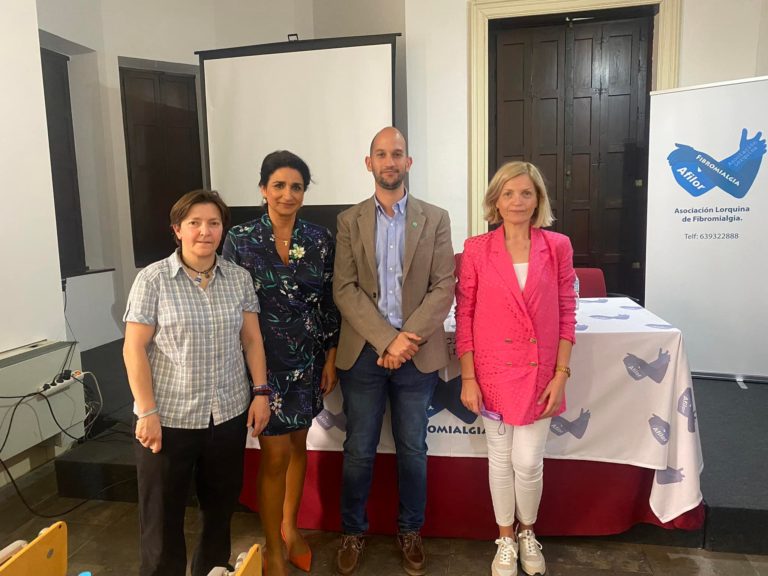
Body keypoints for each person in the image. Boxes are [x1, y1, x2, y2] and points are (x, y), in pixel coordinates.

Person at [123, 189, 270, 576]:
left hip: (227, 415)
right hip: (168, 419)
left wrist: (260, 392)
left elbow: (252, 340)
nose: (205, 231)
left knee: (219, 513)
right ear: (177, 229)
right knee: (162, 520)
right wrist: (146, 411)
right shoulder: (153, 280)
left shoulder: (238, 279)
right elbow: (134, 348)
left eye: (214, 223)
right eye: (195, 223)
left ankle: (212, 570)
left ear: (223, 230)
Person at [332, 127, 455, 576]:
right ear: (369, 163)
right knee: (359, 449)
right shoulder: (349, 221)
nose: (390, 162)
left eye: (397, 154)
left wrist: (406, 340)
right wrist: (388, 340)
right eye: (381, 154)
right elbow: (344, 288)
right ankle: (352, 531)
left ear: (409, 162)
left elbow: (444, 287)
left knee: (413, 449)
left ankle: (410, 530)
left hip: (416, 354)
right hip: (365, 353)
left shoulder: (435, 218)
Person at [455, 161, 577, 576]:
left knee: (527, 462)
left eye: (526, 193)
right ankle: (505, 537)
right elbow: (465, 314)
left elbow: (567, 312)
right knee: (500, 459)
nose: (517, 202)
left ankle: (528, 531)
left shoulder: (557, 246)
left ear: (538, 200)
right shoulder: (476, 248)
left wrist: (561, 375)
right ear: (496, 200)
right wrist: (468, 377)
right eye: (508, 194)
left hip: (539, 372)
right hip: (491, 371)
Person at [223, 150, 340, 576]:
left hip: (308, 359)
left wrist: (330, 357)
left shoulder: (320, 239)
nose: (287, 194)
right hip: (262, 362)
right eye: (279, 185)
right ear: (263, 189)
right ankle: (272, 546)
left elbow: (329, 301)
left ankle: (291, 528)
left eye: (296, 187)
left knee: (297, 445)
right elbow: (229, 302)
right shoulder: (240, 239)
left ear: (304, 193)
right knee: (273, 456)